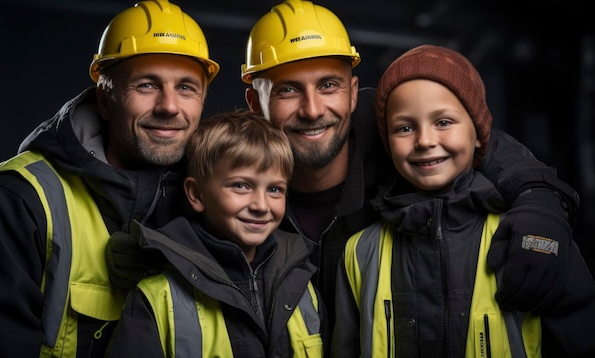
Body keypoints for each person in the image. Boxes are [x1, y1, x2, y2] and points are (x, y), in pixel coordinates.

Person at [239, 0, 580, 338]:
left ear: (353, 92)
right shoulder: (230, 168)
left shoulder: (396, 126)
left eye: (329, 85)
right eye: (287, 90)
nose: (313, 110)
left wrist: (540, 204)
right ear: (254, 103)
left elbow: (487, 146)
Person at [0, 1, 219, 357]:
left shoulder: (217, 203)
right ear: (105, 98)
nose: (169, 106)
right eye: (147, 85)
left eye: (186, 88)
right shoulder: (16, 200)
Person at [331, 44, 595, 358]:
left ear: (480, 133)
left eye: (443, 122)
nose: (425, 140)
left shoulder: (527, 239)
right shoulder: (361, 252)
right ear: (387, 143)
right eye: (404, 128)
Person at [104, 110, 325, 357]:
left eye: (274, 189)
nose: (261, 205)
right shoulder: (159, 296)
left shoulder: (303, 287)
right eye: (241, 186)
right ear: (197, 194)